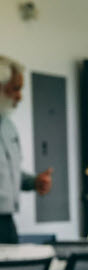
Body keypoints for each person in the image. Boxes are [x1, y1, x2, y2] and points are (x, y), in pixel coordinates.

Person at [0, 56, 53, 243]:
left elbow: (8, 172)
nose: (20, 96)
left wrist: (33, 181)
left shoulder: (8, 126)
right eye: (15, 89)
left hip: (6, 221)